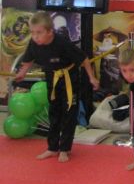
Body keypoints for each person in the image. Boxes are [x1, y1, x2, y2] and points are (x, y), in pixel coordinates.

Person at [15, 11, 100, 163]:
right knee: (54, 113)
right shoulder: (34, 43)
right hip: (52, 78)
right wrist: (22, 73)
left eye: (39, 33)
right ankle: (52, 148)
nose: (35, 36)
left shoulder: (62, 43)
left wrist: (92, 78)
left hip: (69, 79)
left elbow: (84, 59)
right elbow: (28, 59)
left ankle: (65, 149)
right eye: (32, 32)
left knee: (69, 114)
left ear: (50, 31)